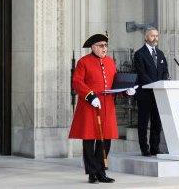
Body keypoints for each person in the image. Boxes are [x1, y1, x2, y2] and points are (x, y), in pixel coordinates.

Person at [69, 33, 135, 183]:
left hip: (107, 106)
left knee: (105, 140)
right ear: (93, 47)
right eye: (101, 46)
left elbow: (115, 83)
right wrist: (90, 96)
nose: (104, 48)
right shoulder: (83, 62)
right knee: (89, 140)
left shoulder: (111, 62)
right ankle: (92, 173)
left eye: (106, 45)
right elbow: (77, 82)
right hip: (90, 106)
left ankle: (101, 172)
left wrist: (125, 91)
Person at [132, 26, 169, 156]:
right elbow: (141, 73)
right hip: (145, 94)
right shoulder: (139, 54)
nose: (155, 38)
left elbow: (165, 72)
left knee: (157, 122)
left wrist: (161, 84)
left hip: (159, 94)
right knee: (143, 122)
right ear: (146, 37)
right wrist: (154, 84)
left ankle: (155, 148)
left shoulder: (160, 54)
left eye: (157, 36)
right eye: (152, 36)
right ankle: (144, 149)